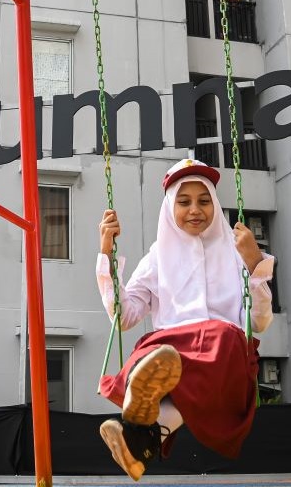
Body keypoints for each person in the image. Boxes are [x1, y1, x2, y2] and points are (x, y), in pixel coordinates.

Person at [95, 158, 275, 481]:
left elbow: (258, 322)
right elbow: (124, 316)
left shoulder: (237, 253)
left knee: (221, 338)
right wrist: (107, 254)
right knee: (154, 353)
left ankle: (142, 406)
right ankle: (140, 442)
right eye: (184, 202)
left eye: (204, 201)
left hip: (222, 358)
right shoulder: (157, 258)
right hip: (173, 352)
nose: (195, 210)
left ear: (215, 205)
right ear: (169, 207)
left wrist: (255, 265)